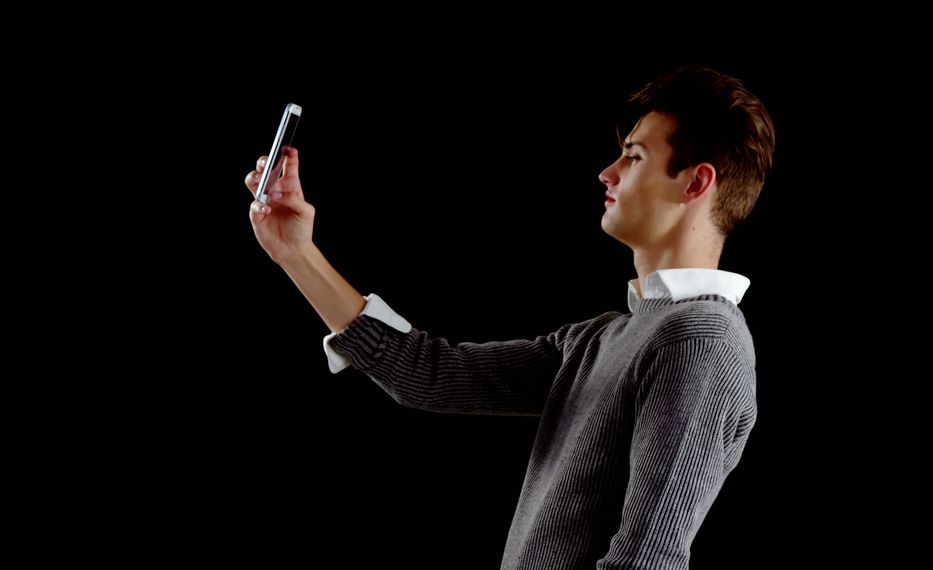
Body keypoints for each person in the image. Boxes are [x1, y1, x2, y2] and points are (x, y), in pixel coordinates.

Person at [244, 64, 775, 569]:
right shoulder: (602, 339)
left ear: (695, 183)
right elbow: (428, 373)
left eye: (633, 157)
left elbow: (647, 557)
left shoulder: (701, 337)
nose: (606, 172)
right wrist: (297, 253)